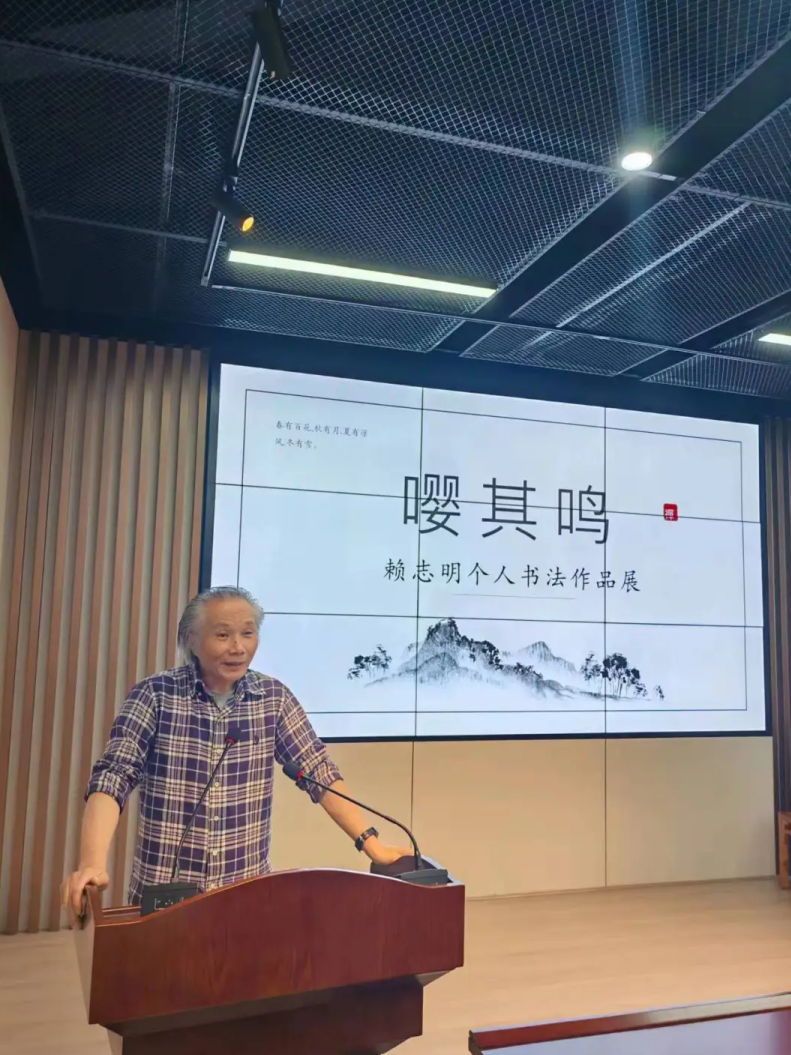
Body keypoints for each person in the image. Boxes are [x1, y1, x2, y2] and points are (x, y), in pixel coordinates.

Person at [61, 586, 409, 920]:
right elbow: (113, 777)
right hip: (167, 898)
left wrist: (370, 843)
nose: (238, 647)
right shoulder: (155, 695)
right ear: (192, 641)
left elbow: (319, 771)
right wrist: (91, 863)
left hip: (246, 898)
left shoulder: (272, 698)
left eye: (248, 633)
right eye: (223, 635)